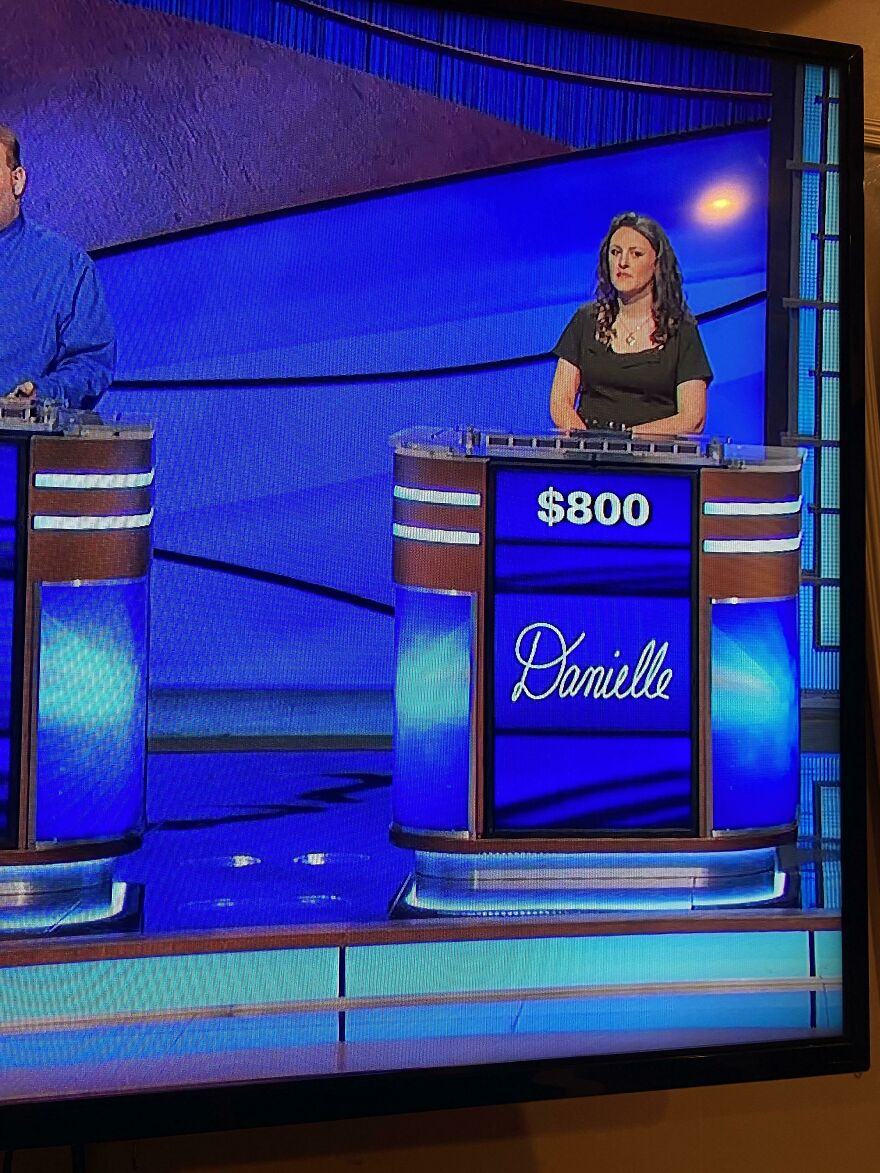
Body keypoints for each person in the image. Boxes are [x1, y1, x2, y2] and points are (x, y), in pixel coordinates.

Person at [550, 211, 712, 435]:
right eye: (616, 252)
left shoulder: (681, 329)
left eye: (636, 254)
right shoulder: (585, 320)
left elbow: (693, 418)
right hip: (589, 456)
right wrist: (586, 445)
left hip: (653, 457)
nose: (622, 263)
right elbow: (560, 401)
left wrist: (628, 442)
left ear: (656, 264)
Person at [0, 124, 115, 409]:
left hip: (18, 447)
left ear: (17, 180)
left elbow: (90, 362)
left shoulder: (67, 268)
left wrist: (42, 394)